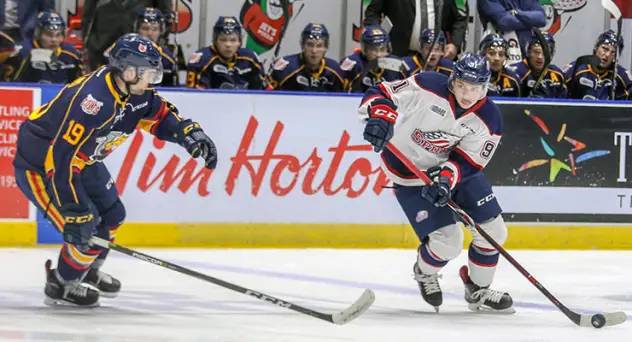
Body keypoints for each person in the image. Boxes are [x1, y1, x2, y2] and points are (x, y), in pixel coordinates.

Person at [12, 34, 218, 307]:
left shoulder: (134, 91)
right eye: (147, 72)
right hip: (41, 164)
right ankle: (61, 284)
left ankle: (87, 270)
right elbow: (59, 159)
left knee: (113, 215)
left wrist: (188, 134)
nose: (152, 80)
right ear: (128, 70)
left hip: (81, 159)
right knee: (87, 228)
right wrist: (74, 211)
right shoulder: (94, 103)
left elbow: (160, 115)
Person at [358, 53, 513, 313]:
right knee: (447, 242)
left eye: (475, 88)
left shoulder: (490, 118)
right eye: (462, 85)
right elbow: (381, 91)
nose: (467, 93)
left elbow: (470, 161)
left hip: (454, 173)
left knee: (494, 232)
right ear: (453, 80)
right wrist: (381, 115)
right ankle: (424, 271)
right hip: (409, 172)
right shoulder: (428, 85)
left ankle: (479, 290)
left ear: (485, 87)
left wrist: (447, 177)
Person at [82, 0, 172, 72]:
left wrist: (160, 40)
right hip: (101, 42)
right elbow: (88, 13)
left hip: (139, 43)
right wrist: (88, 41)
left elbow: (165, 15)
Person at [363, 0, 468, 58]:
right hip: (399, 55)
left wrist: (455, 44)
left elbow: (460, 18)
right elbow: (372, 12)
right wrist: (375, 38)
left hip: (435, 58)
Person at [186, 16, 265, 90]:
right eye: (223, 40)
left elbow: (264, 92)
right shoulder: (201, 60)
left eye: (233, 40)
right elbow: (193, 95)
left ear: (239, 42)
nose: (228, 45)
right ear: (215, 41)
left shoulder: (251, 59)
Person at [3, 11, 83, 84]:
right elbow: (7, 84)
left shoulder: (72, 54)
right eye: (48, 34)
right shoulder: (22, 52)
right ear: (38, 34)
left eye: (58, 35)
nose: (54, 40)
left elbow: (81, 84)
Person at [268, 23, 344, 92]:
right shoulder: (285, 69)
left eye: (319, 46)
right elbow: (265, 97)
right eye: (310, 45)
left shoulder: (336, 71)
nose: (314, 51)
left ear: (326, 48)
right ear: (302, 45)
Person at [564, 30, 631, 101]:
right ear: (596, 48)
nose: (607, 55)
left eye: (613, 52)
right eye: (605, 49)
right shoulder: (577, 68)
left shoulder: (621, 76)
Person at [339, 25, 405, 93]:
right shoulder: (353, 65)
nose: (378, 54)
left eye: (382, 49)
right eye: (373, 49)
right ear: (365, 49)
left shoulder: (397, 65)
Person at [477, 0, 546, 64]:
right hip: (497, 53)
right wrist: (530, 21)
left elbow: (541, 18)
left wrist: (515, 13)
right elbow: (503, 22)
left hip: (526, 53)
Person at [133, 7, 177, 87]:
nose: (150, 33)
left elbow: (172, 92)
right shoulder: (124, 53)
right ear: (137, 30)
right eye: (145, 28)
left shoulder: (168, 58)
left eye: (154, 29)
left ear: (161, 31)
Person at [514, 32, 566, 98]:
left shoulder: (558, 74)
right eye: (536, 52)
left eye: (545, 52)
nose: (540, 57)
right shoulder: (516, 73)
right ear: (528, 52)